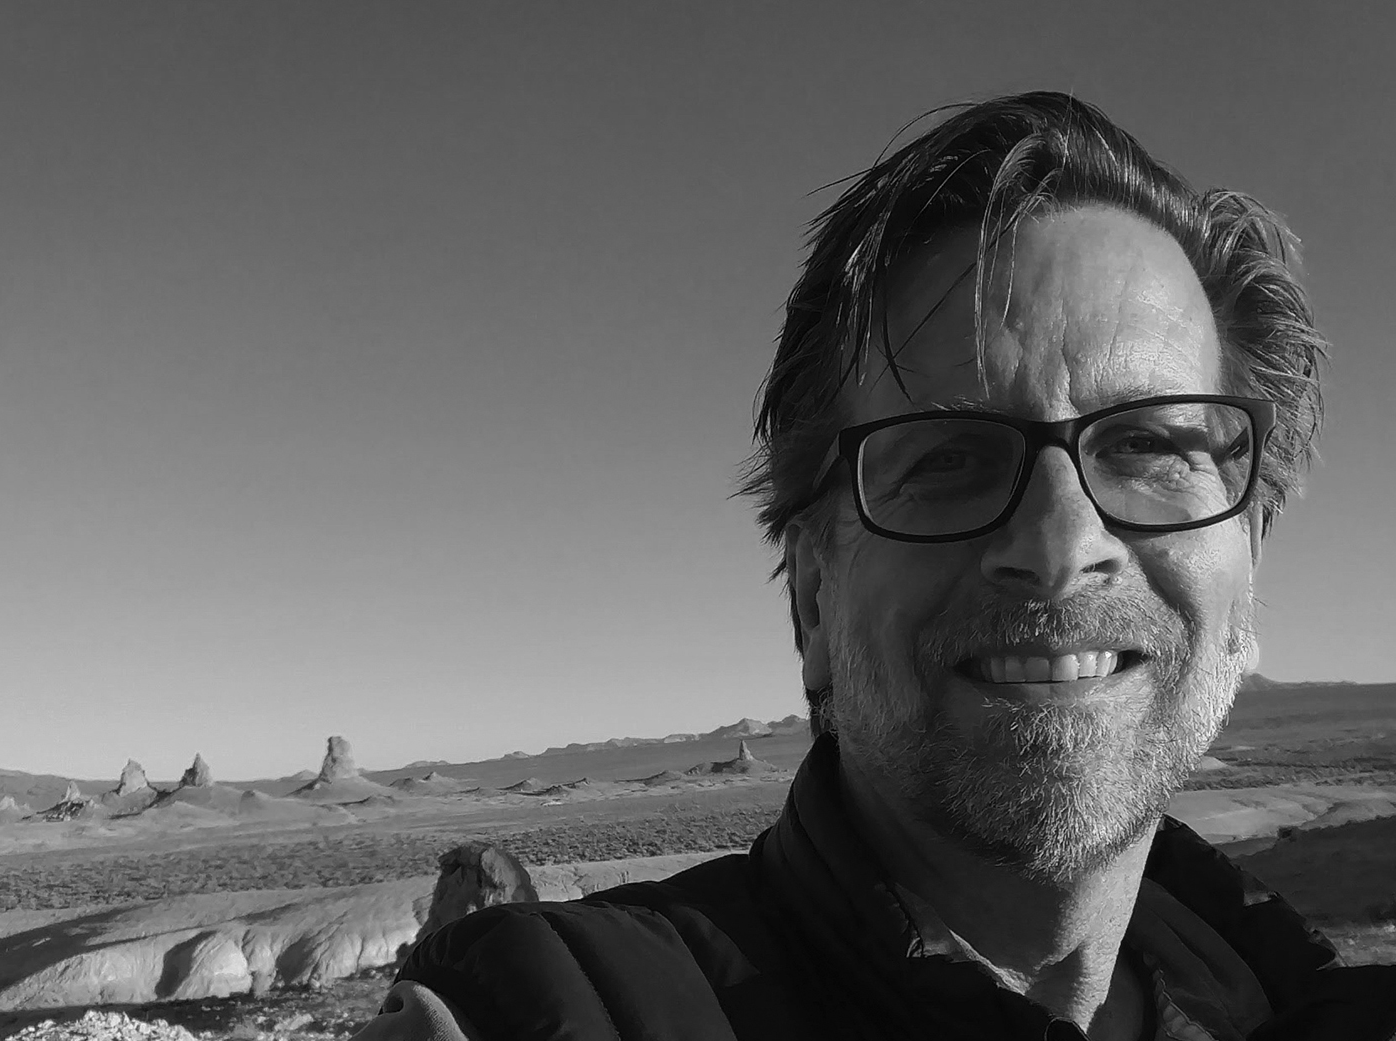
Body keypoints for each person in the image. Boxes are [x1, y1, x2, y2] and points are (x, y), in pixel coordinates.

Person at [350, 92, 1396, 1040]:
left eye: (1152, 446)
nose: (1058, 548)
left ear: (1246, 545)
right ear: (812, 596)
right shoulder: (575, 1011)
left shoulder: (1283, 995)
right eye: (944, 461)